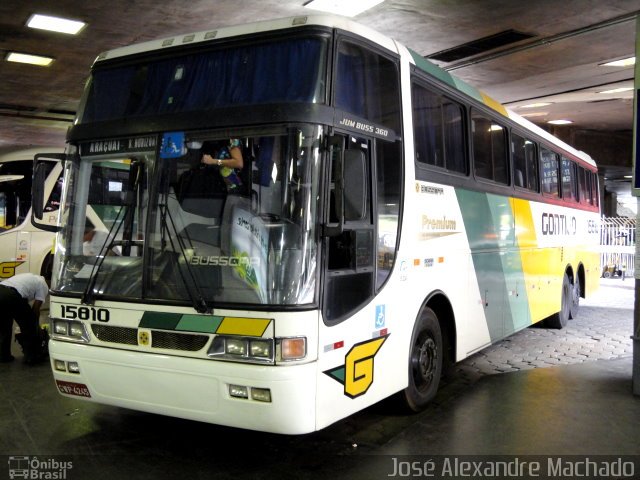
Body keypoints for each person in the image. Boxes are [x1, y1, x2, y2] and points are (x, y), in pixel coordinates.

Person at [0, 273, 49, 364]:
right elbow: (36, 308)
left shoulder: (29, 277)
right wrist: (36, 326)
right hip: (11, 294)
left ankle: (4, 356)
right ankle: (32, 357)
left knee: (4, 326)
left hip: (2, 289)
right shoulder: (43, 285)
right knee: (29, 324)